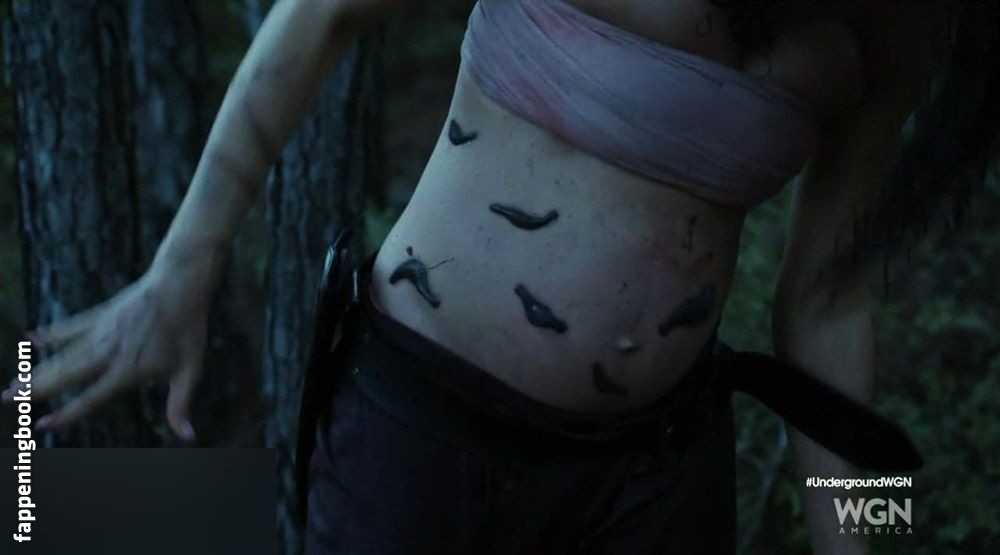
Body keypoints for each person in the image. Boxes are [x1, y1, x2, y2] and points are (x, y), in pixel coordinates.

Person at [5, 0, 976, 553]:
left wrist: (860, 539)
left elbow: (830, 300)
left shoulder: (901, 24)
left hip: (660, 469)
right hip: (424, 436)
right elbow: (326, 12)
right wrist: (181, 270)